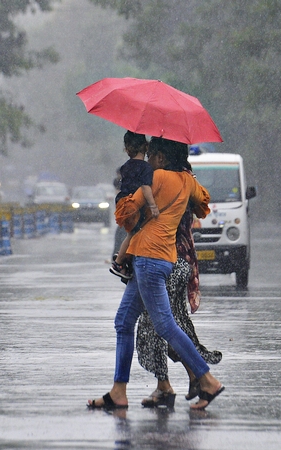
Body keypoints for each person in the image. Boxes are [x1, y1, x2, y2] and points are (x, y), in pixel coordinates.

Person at [88, 137, 224, 411]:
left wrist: (128, 192)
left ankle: (207, 379)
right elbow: (204, 204)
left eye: (151, 155)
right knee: (124, 322)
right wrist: (186, 202)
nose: (148, 160)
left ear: (161, 158)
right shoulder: (187, 181)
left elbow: (124, 213)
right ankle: (118, 391)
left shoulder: (156, 177)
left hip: (149, 259)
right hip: (162, 257)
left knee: (164, 325)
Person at [137, 204, 222, 408]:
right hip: (181, 261)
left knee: (157, 327)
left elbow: (138, 219)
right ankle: (187, 379)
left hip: (167, 262)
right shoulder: (185, 182)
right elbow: (202, 206)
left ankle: (200, 379)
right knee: (168, 325)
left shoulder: (163, 184)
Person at [109, 131, 159, 280]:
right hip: (133, 206)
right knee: (134, 234)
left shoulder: (125, 167)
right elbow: (145, 187)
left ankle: (125, 259)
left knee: (132, 233)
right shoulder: (145, 168)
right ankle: (119, 263)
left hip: (122, 204)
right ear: (146, 147)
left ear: (127, 149)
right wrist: (153, 206)